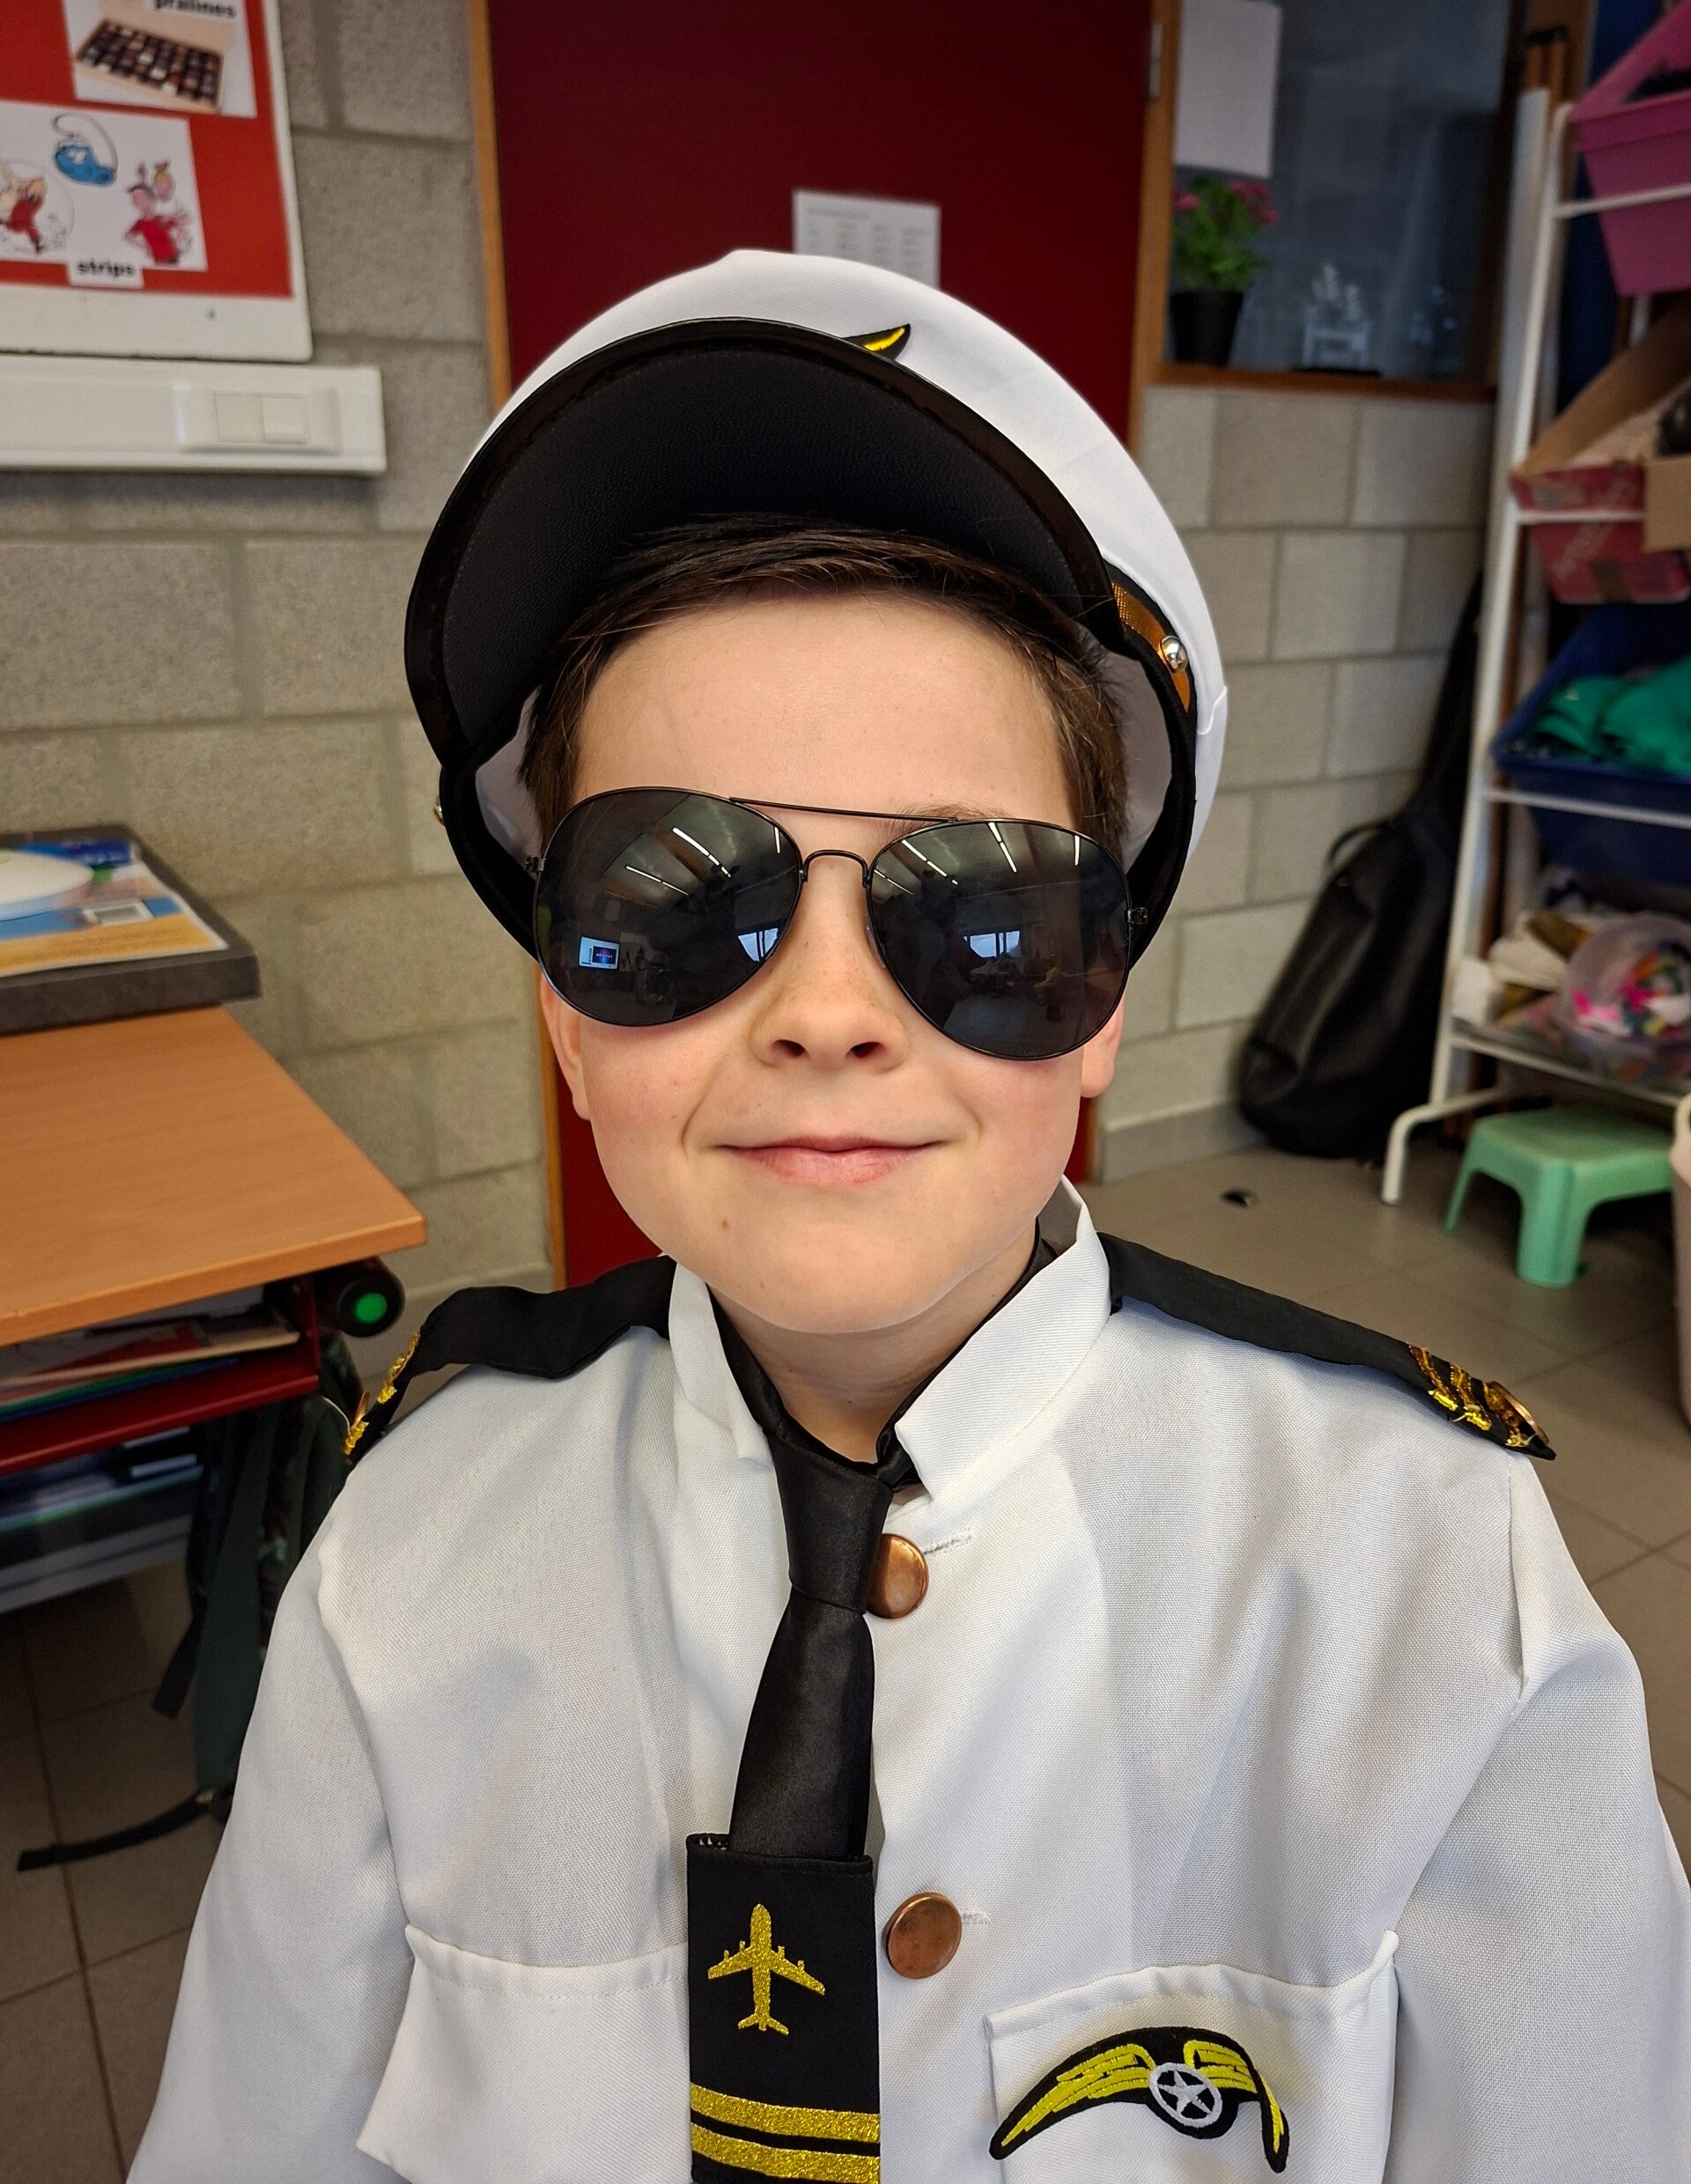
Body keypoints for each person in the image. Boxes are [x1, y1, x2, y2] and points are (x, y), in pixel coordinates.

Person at [133, 254, 1689, 2183]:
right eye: (677, 894)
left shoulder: (1429, 1584)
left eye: (980, 907)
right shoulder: (411, 1556)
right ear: (565, 1012)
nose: (828, 1010)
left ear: (1101, 1008)